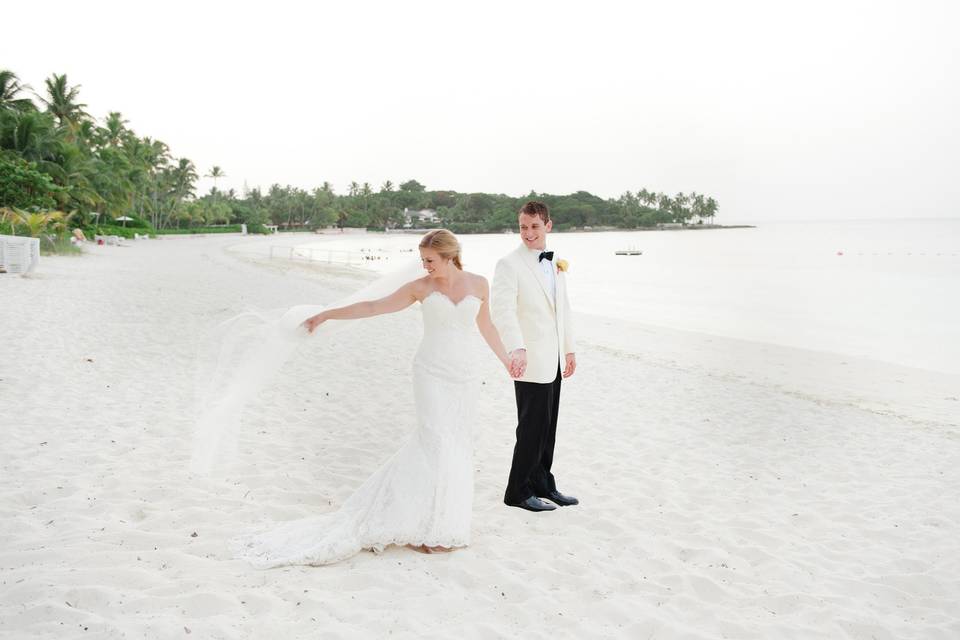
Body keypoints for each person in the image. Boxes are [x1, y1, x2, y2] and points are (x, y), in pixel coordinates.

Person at [229, 229, 516, 567]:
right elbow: (373, 306)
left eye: (429, 260)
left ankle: (445, 527)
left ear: (449, 256)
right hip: (431, 372)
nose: (424, 266)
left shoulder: (479, 284)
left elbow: (488, 327)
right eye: (423, 260)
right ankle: (424, 525)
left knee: (458, 444)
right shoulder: (419, 288)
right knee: (435, 441)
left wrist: (508, 360)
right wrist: (327, 313)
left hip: (465, 375)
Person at [492, 201, 579, 512]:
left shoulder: (556, 265)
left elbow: (563, 309)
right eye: (523, 227)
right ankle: (517, 490)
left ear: (548, 226)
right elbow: (500, 310)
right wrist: (516, 347)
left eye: (534, 227)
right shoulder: (509, 264)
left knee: (548, 426)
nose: (528, 233)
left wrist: (568, 349)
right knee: (530, 427)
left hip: (553, 358)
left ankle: (543, 483)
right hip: (528, 359)